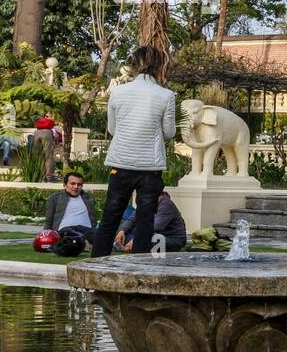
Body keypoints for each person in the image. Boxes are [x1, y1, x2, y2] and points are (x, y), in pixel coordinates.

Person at [91, 46, 177, 258]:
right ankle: (140, 267)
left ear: (134, 65)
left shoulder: (118, 91)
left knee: (111, 215)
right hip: (150, 166)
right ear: (159, 66)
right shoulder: (165, 95)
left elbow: (112, 129)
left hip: (121, 163)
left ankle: (96, 263)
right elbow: (169, 132)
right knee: (145, 219)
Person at [115, 191, 187, 253]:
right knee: (124, 233)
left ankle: (131, 245)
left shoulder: (166, 204)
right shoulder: (146, 202)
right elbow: (132, 220)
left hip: (171, 239)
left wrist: (136, 239)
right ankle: (125, 244)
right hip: (151, 234)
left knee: (152, 238)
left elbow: (155, 227)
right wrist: (122, 231)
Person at [44, 171, 98, 241]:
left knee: (99, 234)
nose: (76, 187)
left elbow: (93, 219)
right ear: (65, 185)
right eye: (73, 184)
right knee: (69, 233)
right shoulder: (55, 198)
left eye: (79, 184)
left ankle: (83, 242)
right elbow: (49, 221)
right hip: (65, 231)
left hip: (86, 231)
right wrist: (46, 236)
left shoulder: (88, 198)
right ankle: (81, 242)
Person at [33, 115, 57, 182]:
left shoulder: (38, 123)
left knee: (39, 157)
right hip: (47, 133)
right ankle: (49, 178)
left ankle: (42, 177)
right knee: (49, 157)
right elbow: (56, 136)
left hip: (36, 133)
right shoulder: (50, 125)